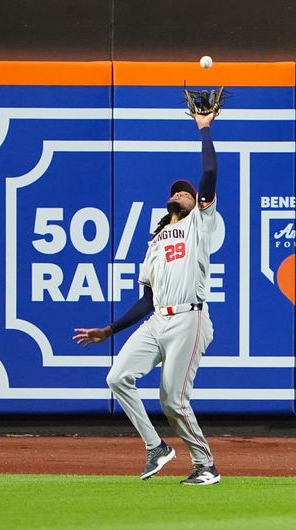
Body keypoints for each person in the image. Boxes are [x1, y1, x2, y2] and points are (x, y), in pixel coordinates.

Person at [73, 111, 220, 485]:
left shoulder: (199, 225)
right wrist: (109, 330)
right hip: (158, 319)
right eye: (176, 192)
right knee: (117, 376)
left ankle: (205, 465)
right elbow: (146, 299)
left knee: (172, 400)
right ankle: (157, 448)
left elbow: (209, 174)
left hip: (190, 317)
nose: (180, 195)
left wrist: (204, 130)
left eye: (186, 193)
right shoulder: (154, 245)